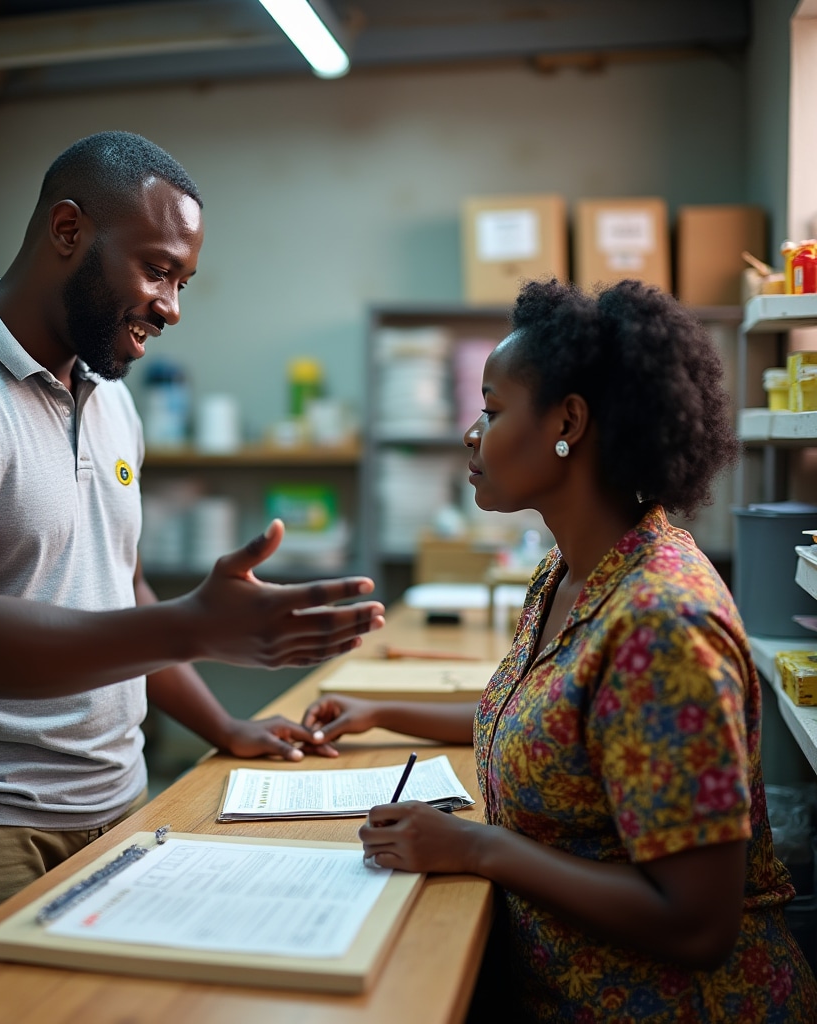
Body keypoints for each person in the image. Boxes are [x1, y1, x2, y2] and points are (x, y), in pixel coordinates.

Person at [0, 130, 383, 971]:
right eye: (158, 270)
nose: (171, 306)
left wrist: (226, 725)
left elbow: (119, 595)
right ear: (67, 231)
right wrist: (194, 627)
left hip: (118, 808)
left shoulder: (107, 394)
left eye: (183, 281)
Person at [303, 279, 817, 1023]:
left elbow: (698, 924)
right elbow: (541, 720)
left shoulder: (661, 623)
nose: (472, 434)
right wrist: (376, 707)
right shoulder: (570, 571)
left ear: (568, 421)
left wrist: (477, 849)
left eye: (492, 409)